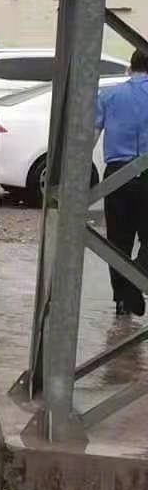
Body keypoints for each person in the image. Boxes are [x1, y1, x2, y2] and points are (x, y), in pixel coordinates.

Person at [96, 47, 148, 317]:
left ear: (131, 66)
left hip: (116, 174)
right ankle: (136, 278)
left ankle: (121, 299)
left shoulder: (109, 95)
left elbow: (91, 135)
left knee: (117, 240)